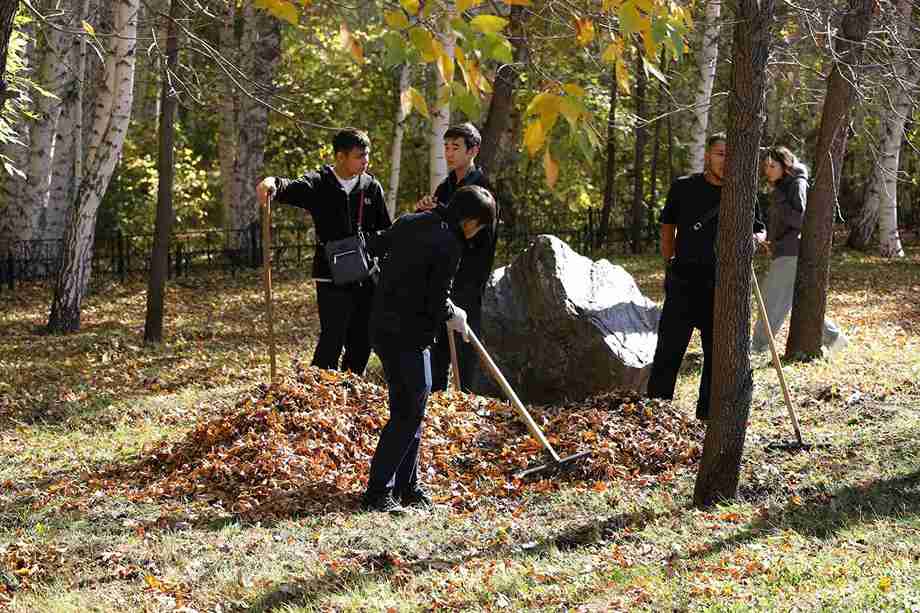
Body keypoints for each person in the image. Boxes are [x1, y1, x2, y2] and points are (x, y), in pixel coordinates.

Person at [362, 185, 497, 513]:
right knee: (409, 414)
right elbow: (436, 300)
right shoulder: (450, 244)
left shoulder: (413, 221)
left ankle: (408, 486)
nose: (476, 232)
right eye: (479, 225)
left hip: (382, 327)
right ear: (469, 221)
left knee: (410, 411)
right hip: (407, 337)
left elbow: (375, 244)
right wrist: (453, 314)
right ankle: (378, 491)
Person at [646, 133, 765, 421]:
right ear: (707, 156)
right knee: (668, 351)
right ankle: (655, 413)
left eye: (730, 155)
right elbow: (667, 225)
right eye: (720, 154)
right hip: (684, 281)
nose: (726, 161)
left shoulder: (743, 191)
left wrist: (754, 240)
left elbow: (760, 228)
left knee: (716, 356)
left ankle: (706, 417)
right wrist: (670, 260)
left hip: (722, 286)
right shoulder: (684, 187)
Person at [256, 128, 391, 375]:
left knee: (361, 338)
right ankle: (318, 390)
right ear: (340, 156)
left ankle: (352, 389)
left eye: (367, 155)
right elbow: (287, 188)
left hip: (366, 275)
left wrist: (370, 246)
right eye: (359, 156)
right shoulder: (319, 182)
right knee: (333, 335)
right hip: (330, 274)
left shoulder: (372, 187)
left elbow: (386, 231)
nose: (366, 161)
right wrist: (270, 183)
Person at [417, 123, 499, 393]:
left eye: (456, 148)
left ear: (473, 150)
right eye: (446, 147)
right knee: (438, 340)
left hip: (468, 277)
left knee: (465, 342)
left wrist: (441, 212)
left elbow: (475, 235)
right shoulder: (445, 186)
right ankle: (437, 396)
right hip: (441, 274)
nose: (449, 154)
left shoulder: (483, 188)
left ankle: (466, 397)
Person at [751, 146, 848, 356]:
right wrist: (772, 241)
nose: (767, 170)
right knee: (798, 302)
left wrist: (781, 204)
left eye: (772, 166)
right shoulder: (783, 186)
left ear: (785, 166)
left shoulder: (796, 184)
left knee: (771, 300)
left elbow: (802, 219)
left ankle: (757, 347)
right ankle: (834, 338)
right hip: (785, 250)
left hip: (792, 252)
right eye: (766, 166)